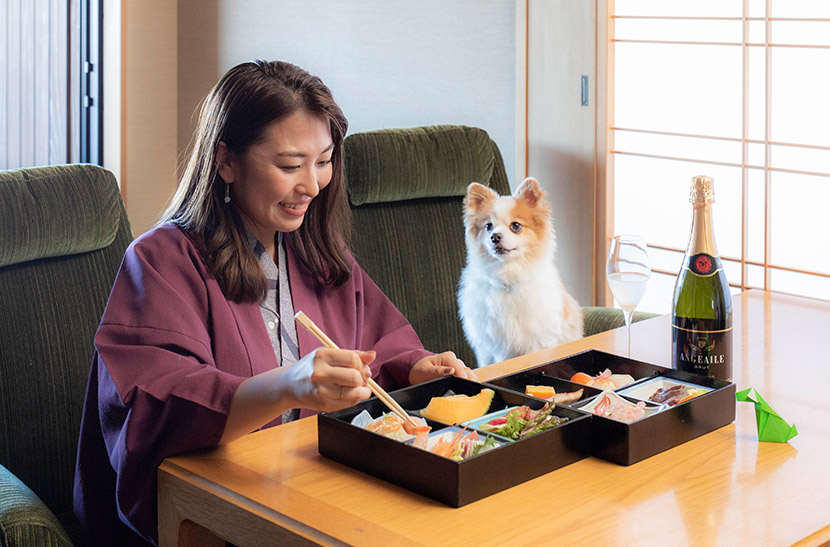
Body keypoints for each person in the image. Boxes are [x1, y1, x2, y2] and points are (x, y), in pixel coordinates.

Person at [73, 60, 475, 546]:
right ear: (225, 160)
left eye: (323, 161)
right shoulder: (159, 261)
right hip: (222, 511)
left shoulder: (314, 248)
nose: (311, 184)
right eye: (289, 165)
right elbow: (156, 409)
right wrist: (287, 385)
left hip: (317, 491)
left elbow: (379, 342)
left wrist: (416, 369)